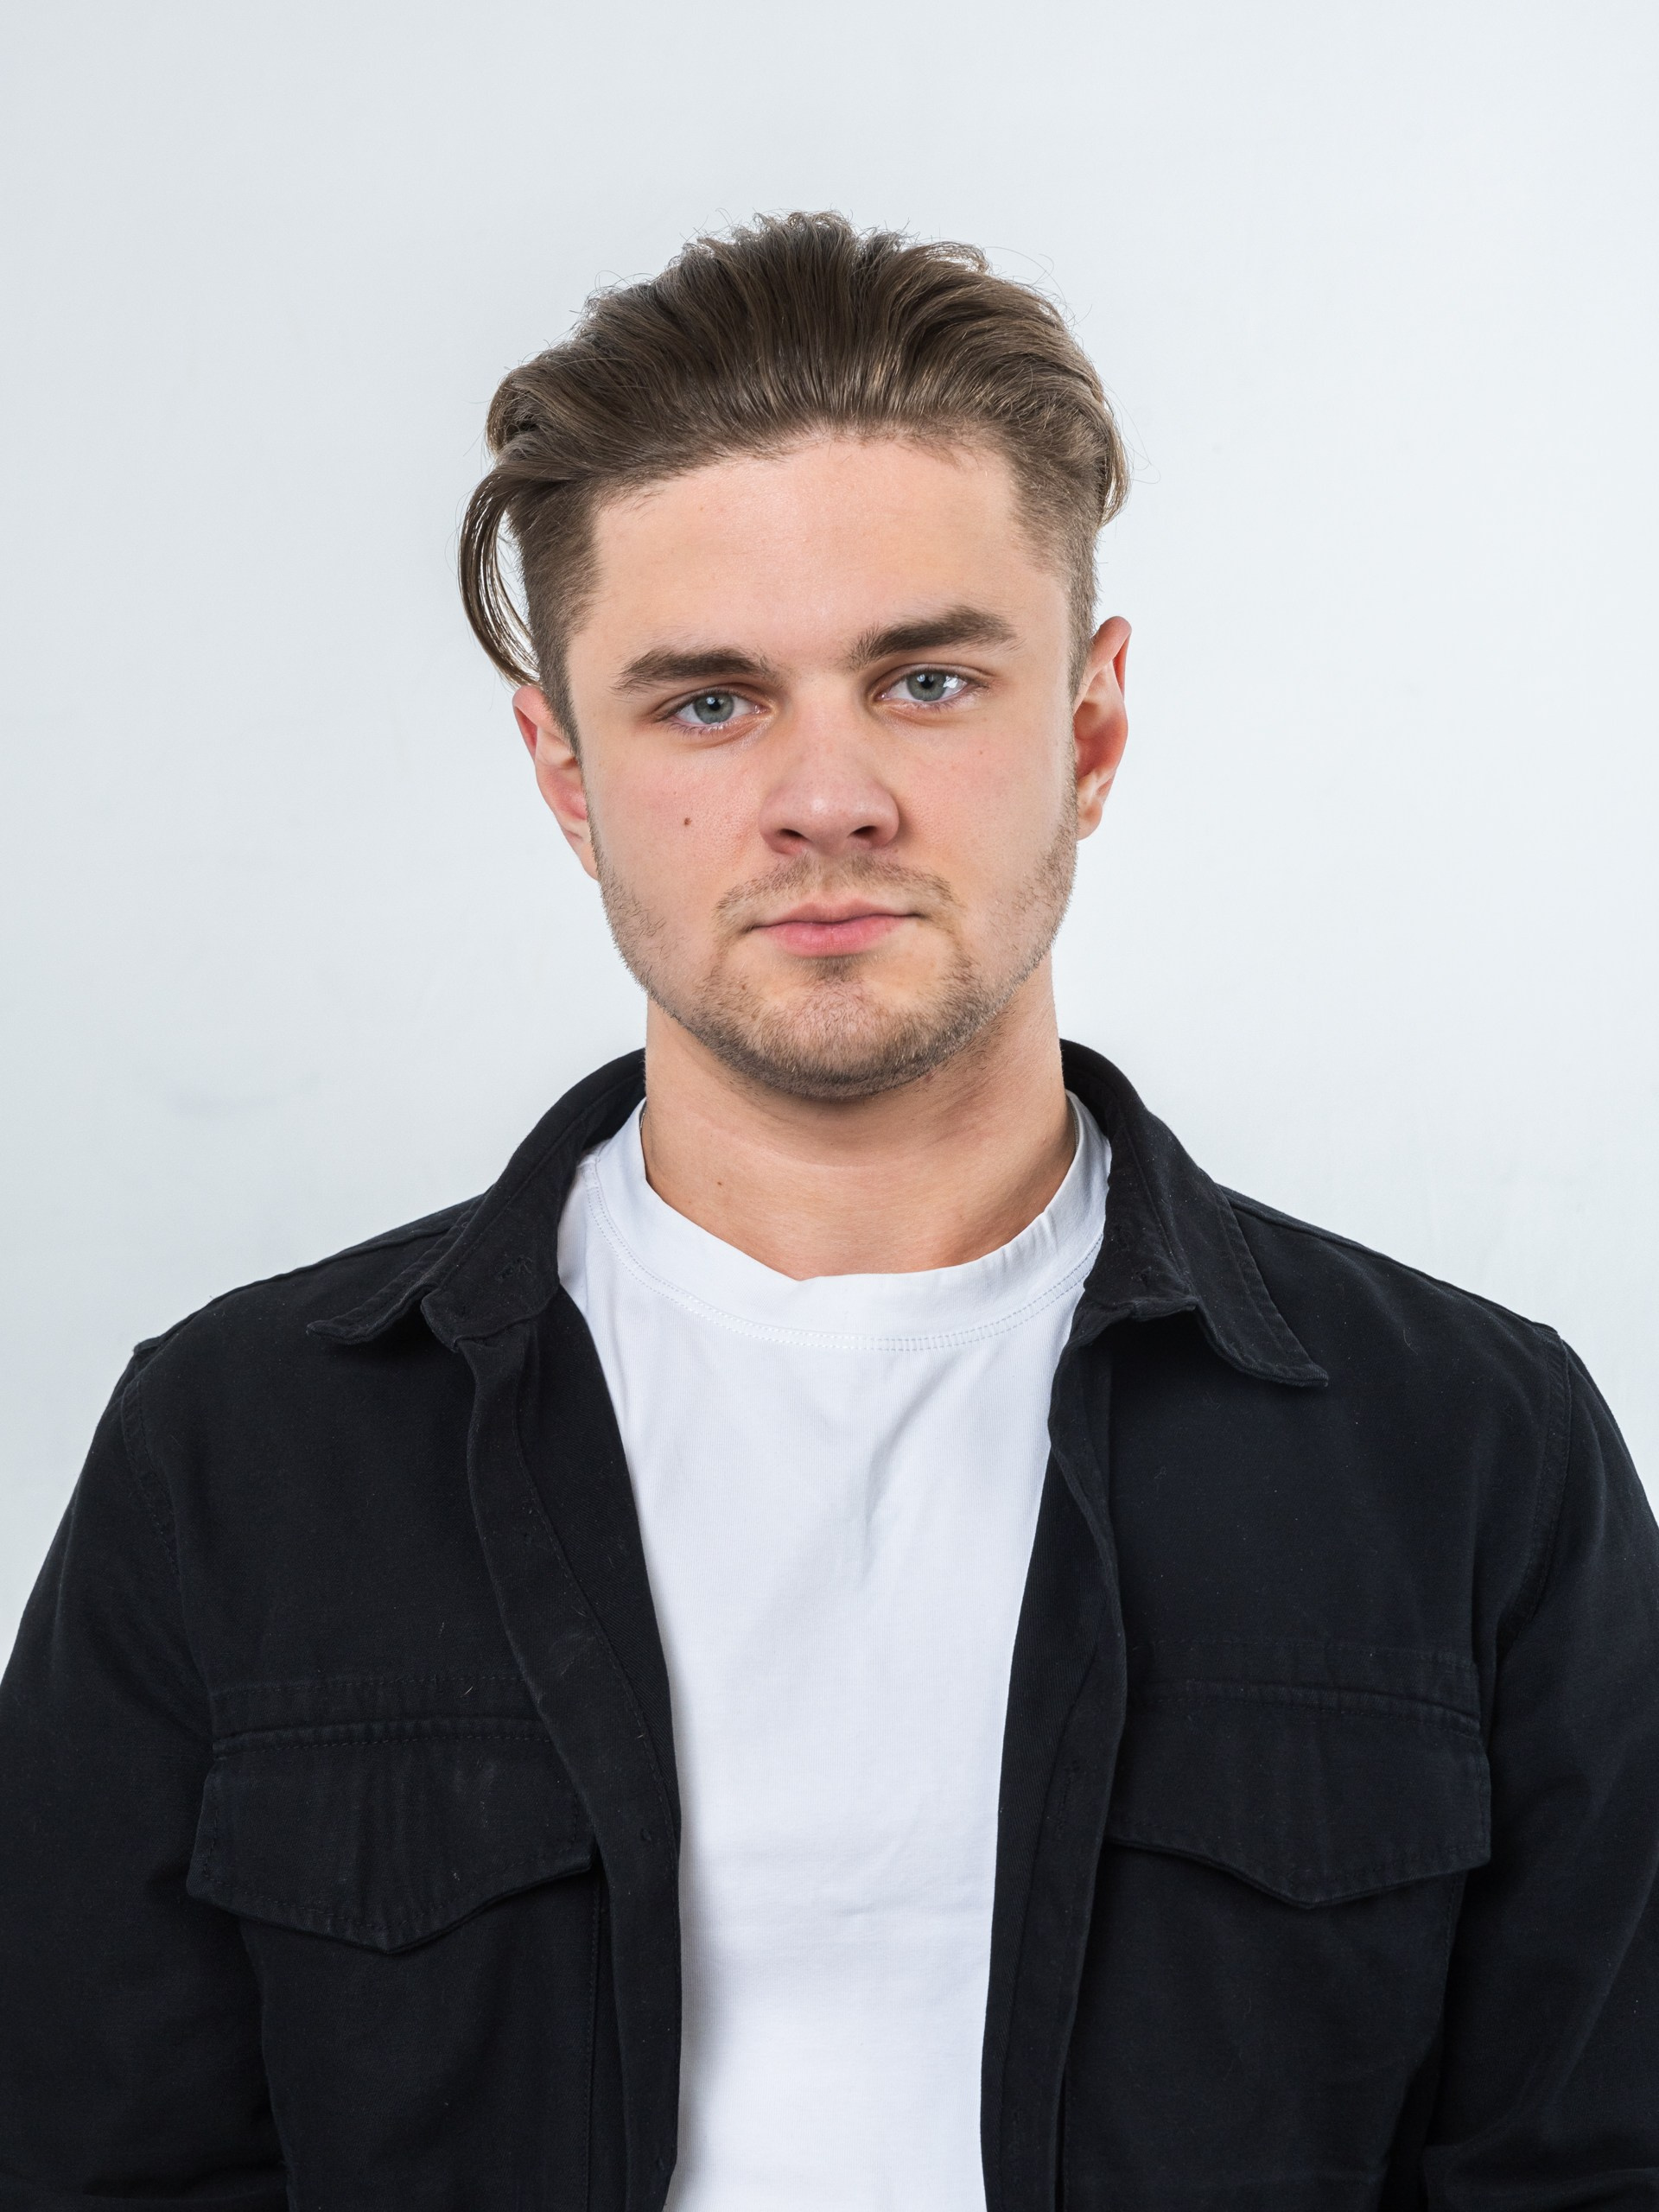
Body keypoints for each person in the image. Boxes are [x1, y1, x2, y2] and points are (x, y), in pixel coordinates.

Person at [1, 211, 1655, 2212]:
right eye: (709, 703)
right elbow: (89, 2163)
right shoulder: (236, 1449)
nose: (829, 797)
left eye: (928, 678)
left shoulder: (1474, 1452)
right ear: (565, 774)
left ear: (1091, 726)